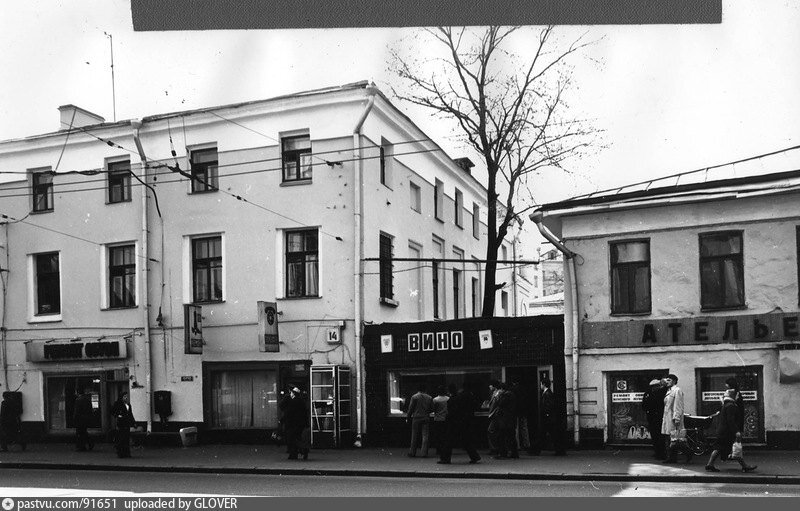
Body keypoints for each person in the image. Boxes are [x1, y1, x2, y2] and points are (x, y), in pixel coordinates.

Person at [705, 389, 757, 473]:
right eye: (737, 395)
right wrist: (736, 431)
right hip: (727, 432)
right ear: (733, 396)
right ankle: (745, 466)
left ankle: (710, 464)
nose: (738, 397)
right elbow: (731, 420)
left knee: (720, 448)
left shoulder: (726, 404)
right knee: (736, 448)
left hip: (722, 431)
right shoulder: (731, 406)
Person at [437, 383, 481, 465]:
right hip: (462, 422)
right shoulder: (460, 397)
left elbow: (451, 412)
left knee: (448, 441)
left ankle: (445, 458)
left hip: (453, 423)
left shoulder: (452, 399)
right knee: (466, 440)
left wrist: (448, 418)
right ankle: (475, 456)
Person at [532, 377, 565, 456]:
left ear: (543, 384)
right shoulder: (547, 393)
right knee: (549, 435)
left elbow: (549, 406)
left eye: (541, 384)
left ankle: (536, 450)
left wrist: (546, 414)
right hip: (548, 418)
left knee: (545, 435)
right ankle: (559, 450)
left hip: (548, 418)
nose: (540, 386)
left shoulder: (547, 394)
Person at [661, 374, 688, 464]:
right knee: (671, 438)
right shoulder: (669, 391)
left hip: (673, 418)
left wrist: (676, 418)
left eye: (669, 380)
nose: (666, 382)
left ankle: (687, 453)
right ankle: (671, 458)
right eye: (666, 380)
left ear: (674, 381)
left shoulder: (677, 390)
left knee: (675, 438)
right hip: (667, 417)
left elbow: (678, 405)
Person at [641, 378, 668, 459]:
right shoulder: (648, 393)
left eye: (656, 386)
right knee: (654, 436)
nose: (654, 388)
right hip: (651, 417)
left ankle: (661, 453)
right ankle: (657, 452)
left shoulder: (662, 393)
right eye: (652, 386)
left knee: (660, 436)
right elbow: (644, 404)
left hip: (659, 417)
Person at [406, 384, 433, 457]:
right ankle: (424, 453)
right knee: (425, 435)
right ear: (425, 389)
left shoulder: (414, 397)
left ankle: (412, 452)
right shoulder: (429, 397)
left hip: (416, 417)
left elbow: (411, 408)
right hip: (425, 417)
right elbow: (431, 408)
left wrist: (408, 417)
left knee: (414, 435)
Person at [284, 387, 310, 460]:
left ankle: (294, 454)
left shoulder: (292, 402)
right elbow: (305, 413)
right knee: (299, 438)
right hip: (301, 424)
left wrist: (283, 420)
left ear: (294, 394)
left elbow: (288, 412)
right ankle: (304, 451)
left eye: (291, 393)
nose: (290, 394)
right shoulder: (302, 402)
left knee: (292, 439)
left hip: (293, 424)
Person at [510, 379, 532, 454]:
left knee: (516, 429)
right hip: (523, 411)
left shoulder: (512, 390)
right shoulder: (523, 389)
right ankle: (527, 444)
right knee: (524, 428)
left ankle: (517, 445)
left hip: (516, 412)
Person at [111, 392, 135, 458]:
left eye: (126, 396)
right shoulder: (117, 404)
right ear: (121, 397)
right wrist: (118, 415)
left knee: (126, 438)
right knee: (121, 438)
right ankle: (121, 453)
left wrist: (133, 422)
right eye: (124, 396)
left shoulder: (128, 405)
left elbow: (130, 414)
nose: (126, 398)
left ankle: (127, 453)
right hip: (121, 423)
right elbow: (112, 411)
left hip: (127, 423)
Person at [73, 387, 94, 452]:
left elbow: (77, 411)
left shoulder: (78, 400)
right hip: (86, 418)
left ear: (78, 392)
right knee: (83, 431)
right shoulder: (87, 399)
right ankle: (88, 443)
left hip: (80, 419)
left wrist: (74, 418)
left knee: (80, 433)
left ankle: (82, 446)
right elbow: (90, 409)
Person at [431, 385, 450, 456]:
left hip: (437, 419)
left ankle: (439, 449)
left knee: (438, 435)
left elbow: (433, 409)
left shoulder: (435, 399)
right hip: (446, 419)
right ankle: (444, 449)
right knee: (445, 436)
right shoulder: (448, 398)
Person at [485, 380, 502, 455]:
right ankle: (495, 448)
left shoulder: (497, 393)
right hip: (495, 415)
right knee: (494, 431)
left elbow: (495, 404)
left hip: (495, 415)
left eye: (490, 385)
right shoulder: (494, 393)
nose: (489, 386)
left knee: (491, 430)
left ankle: (494, 449)